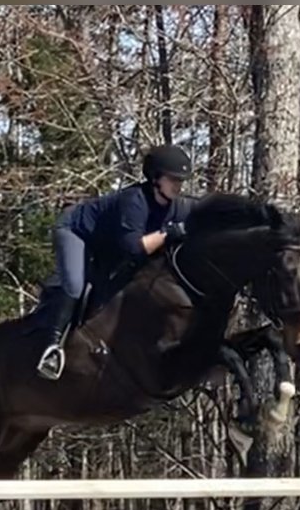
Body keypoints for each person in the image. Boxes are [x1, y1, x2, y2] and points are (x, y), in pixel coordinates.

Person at [35, 143, 195, 380]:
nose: (178, 185)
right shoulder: (134, 201)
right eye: (173, 179)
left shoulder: (177, 206)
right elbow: (134, 248)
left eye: (180, 180)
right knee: (76, 286)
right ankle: (52, 348)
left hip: (107, 246)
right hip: (76, 232)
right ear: (155, 178)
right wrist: (167, 233)